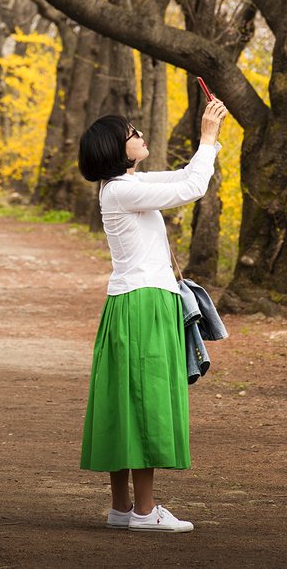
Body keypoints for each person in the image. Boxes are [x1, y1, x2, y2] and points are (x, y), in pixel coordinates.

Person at [77, 98, 229, 533]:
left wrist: (207, 147)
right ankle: (144, 512)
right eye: (132, 134)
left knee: (124, 400)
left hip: (130, 303)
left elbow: (183, 179)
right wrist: (207, 137)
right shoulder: (124, 191)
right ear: (115, 149)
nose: (140, 136)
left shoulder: (121, 187)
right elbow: (191, 188)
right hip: (146, 303)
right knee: (147, 400)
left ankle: (123, 508)